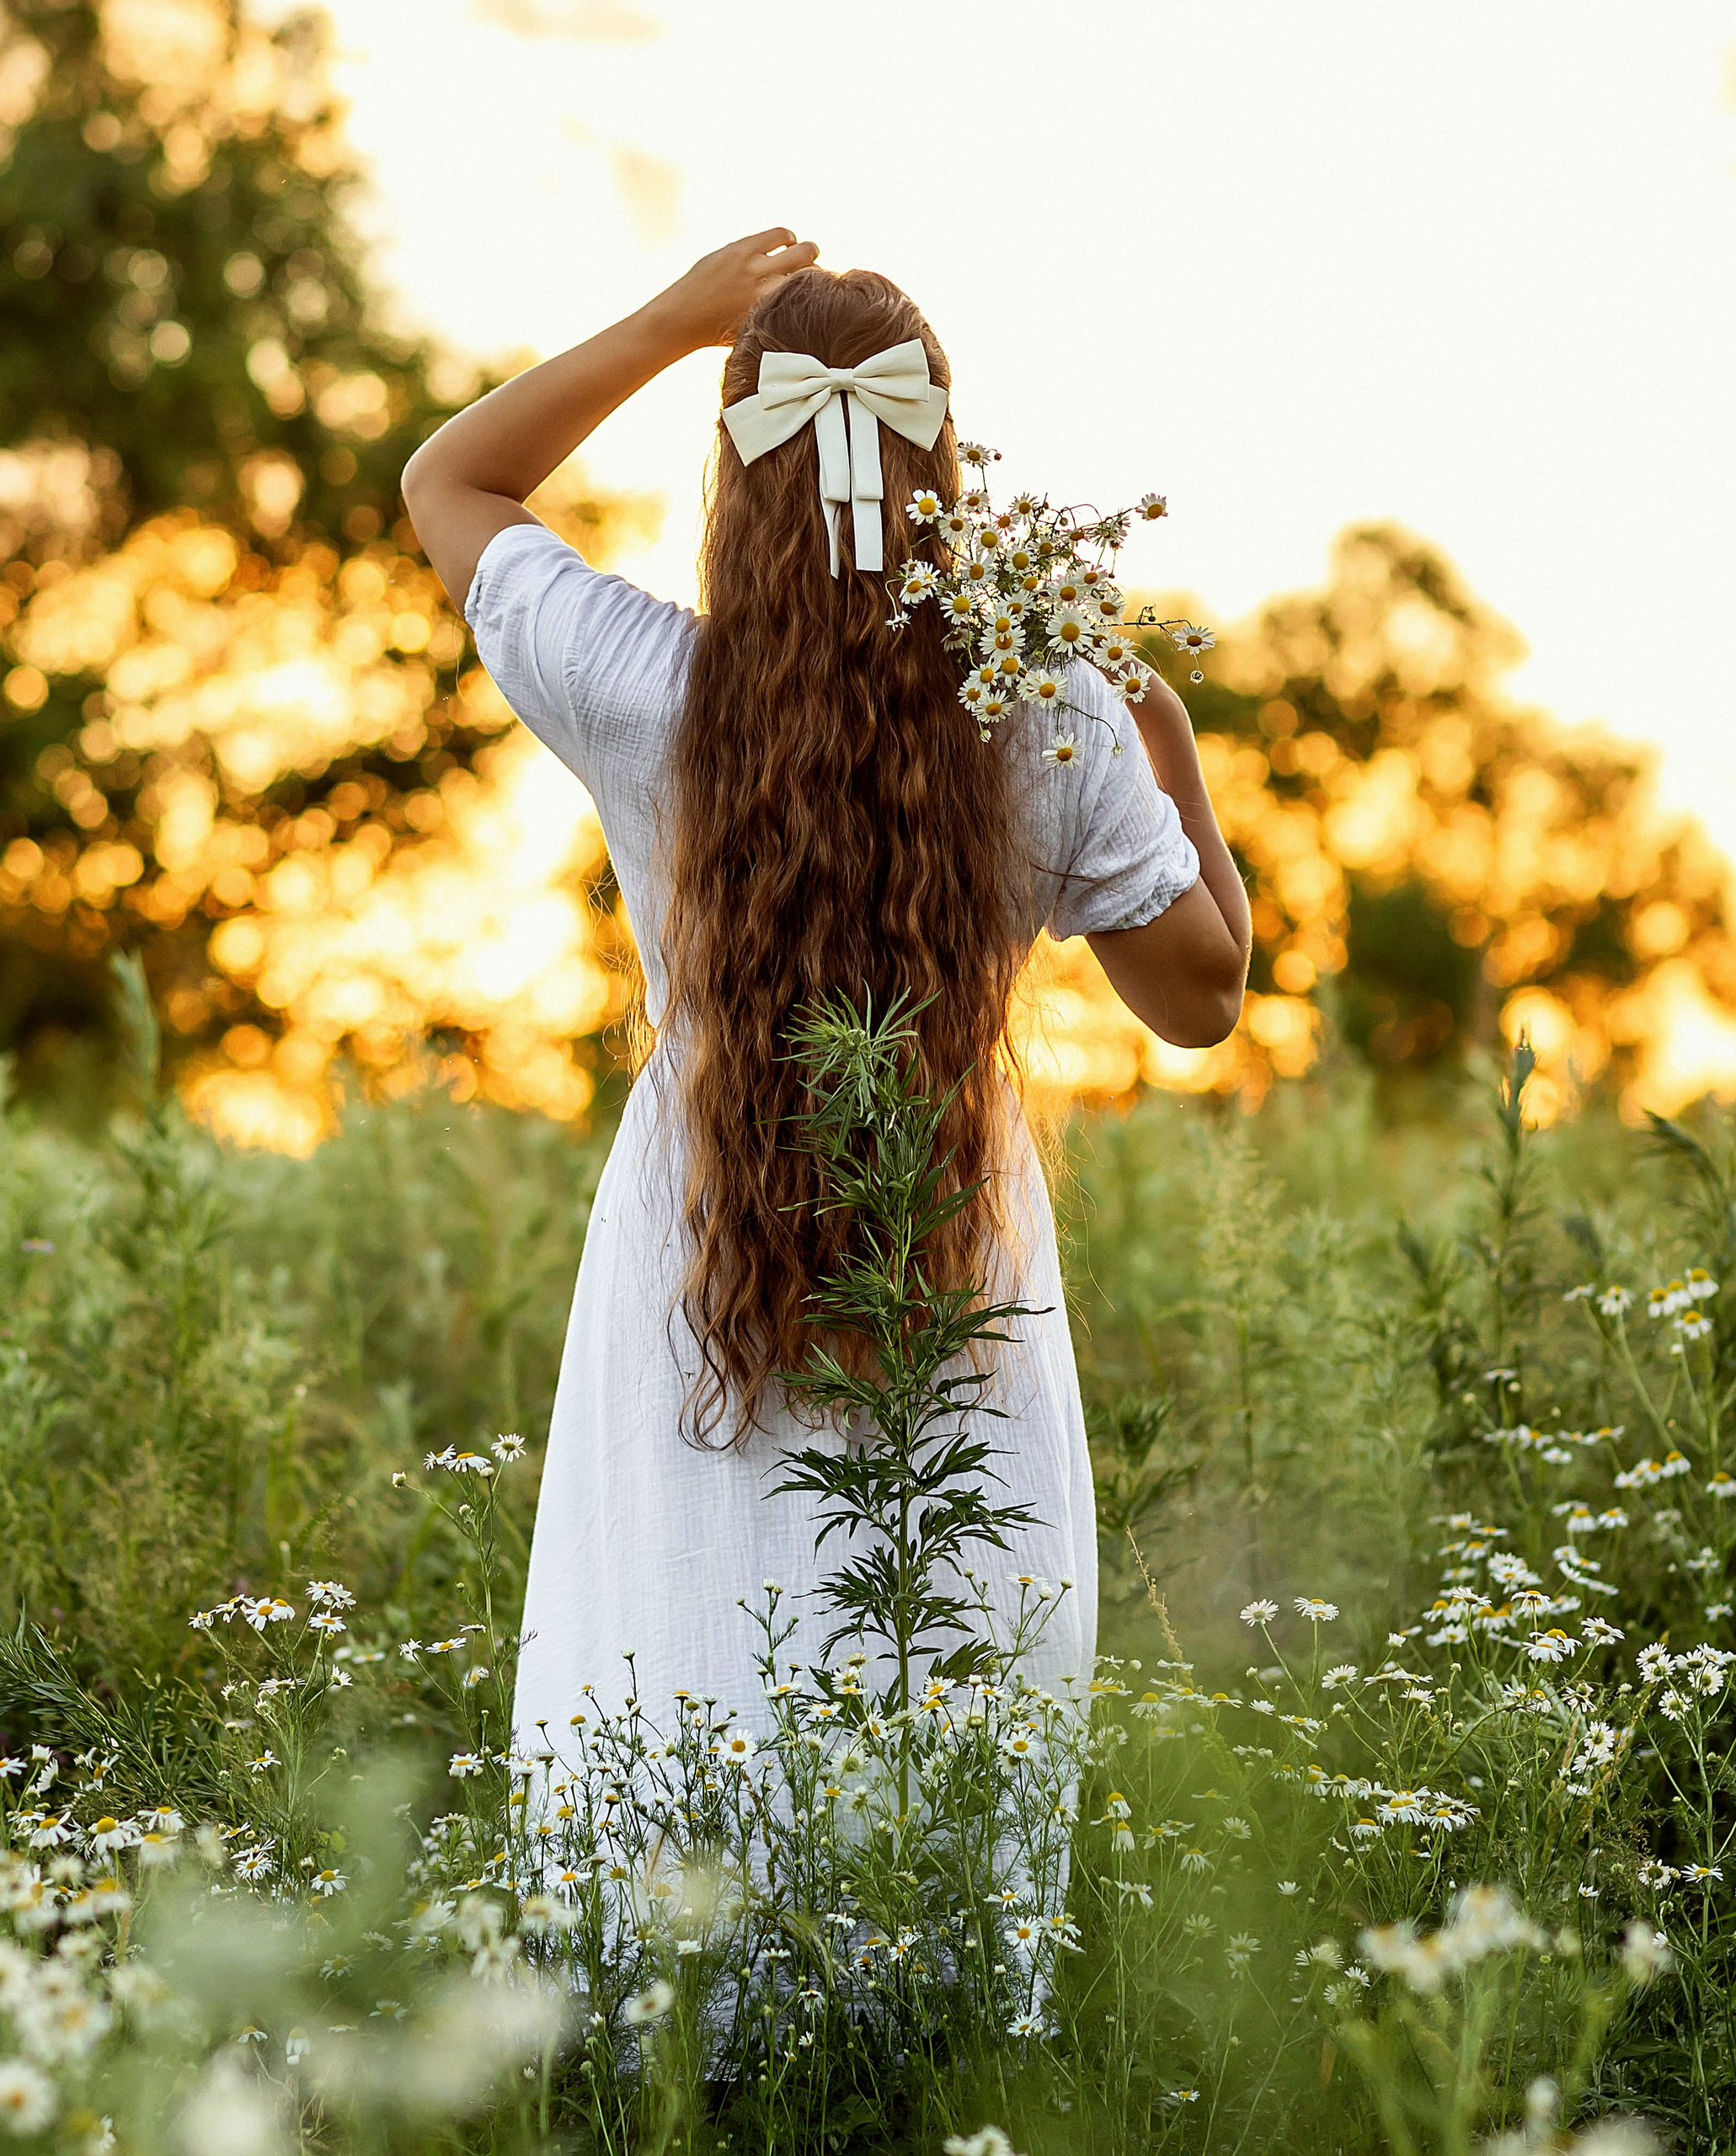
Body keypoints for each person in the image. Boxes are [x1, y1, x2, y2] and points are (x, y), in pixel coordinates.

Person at [401, 229, 1251, 1763]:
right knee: (944, 1707)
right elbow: (1202, 1000)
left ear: (738, 473)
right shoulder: (1044, 709)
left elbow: (450, 485)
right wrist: (1165, 732)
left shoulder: (637, 682)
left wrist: (670, 323)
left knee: (679, 1675)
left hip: (694, 1249)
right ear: (942, 470)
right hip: (957, 1278)